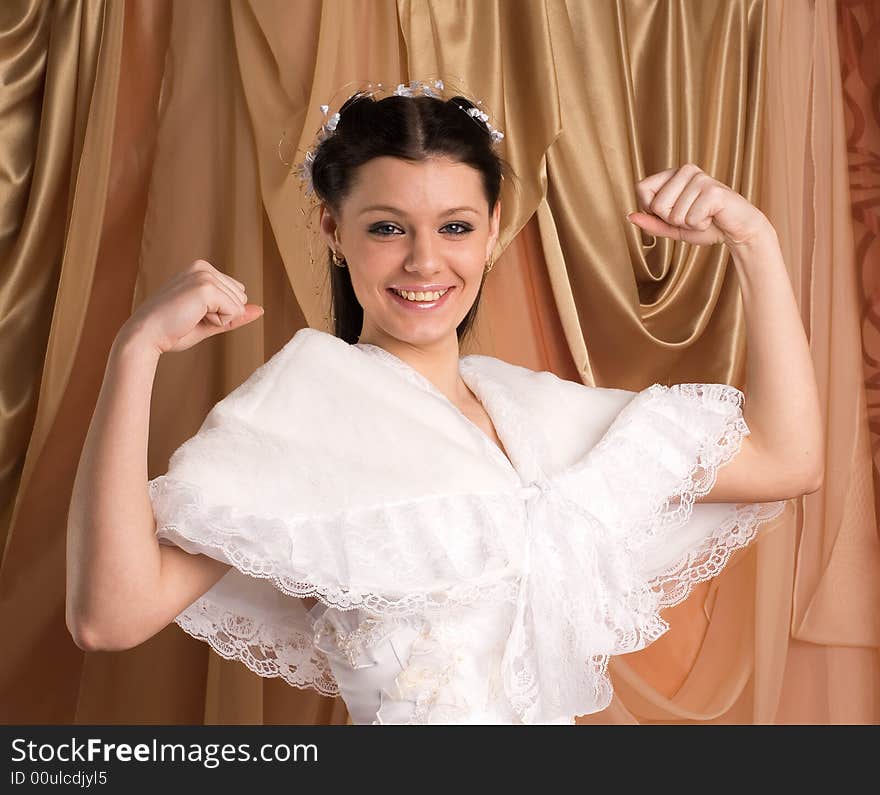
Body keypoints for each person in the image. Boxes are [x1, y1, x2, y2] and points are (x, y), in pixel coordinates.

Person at [65, 78, 824, 725]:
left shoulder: (534, 414)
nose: (425, 261)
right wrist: (134, 354)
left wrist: (754, 242)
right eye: (388, 228)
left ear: (493, 229)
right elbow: (108, 616)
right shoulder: (299, 410)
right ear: (333, 230)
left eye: (455, 227)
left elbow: (787, 461)